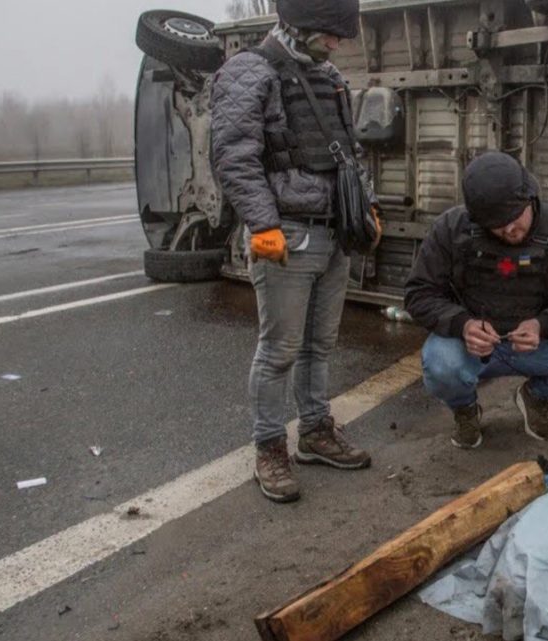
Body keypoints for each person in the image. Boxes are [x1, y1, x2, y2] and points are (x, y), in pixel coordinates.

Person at [211, 0, 378, 503]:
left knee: (318, 347)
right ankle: (268, 447)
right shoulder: (248, 71)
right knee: (279, 350)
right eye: (329, 34)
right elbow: (234, 156)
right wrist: (262, 225)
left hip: (334, 233)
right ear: (298, 23)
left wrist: (364, 206)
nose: (335, 45)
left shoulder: (327, 76)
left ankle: (315, 432)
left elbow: (349, 151)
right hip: (286, 233)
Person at [404, 152, 548, 449]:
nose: (508, 230)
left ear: (530, 198)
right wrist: (462, 325)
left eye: (513, 218)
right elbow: (419, 294)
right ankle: (465, 409)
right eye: (495, 224)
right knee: (441, 365)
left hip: (540, 344)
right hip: (472, 346)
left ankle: (536, 397)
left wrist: (543, 325)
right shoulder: (451, 229)